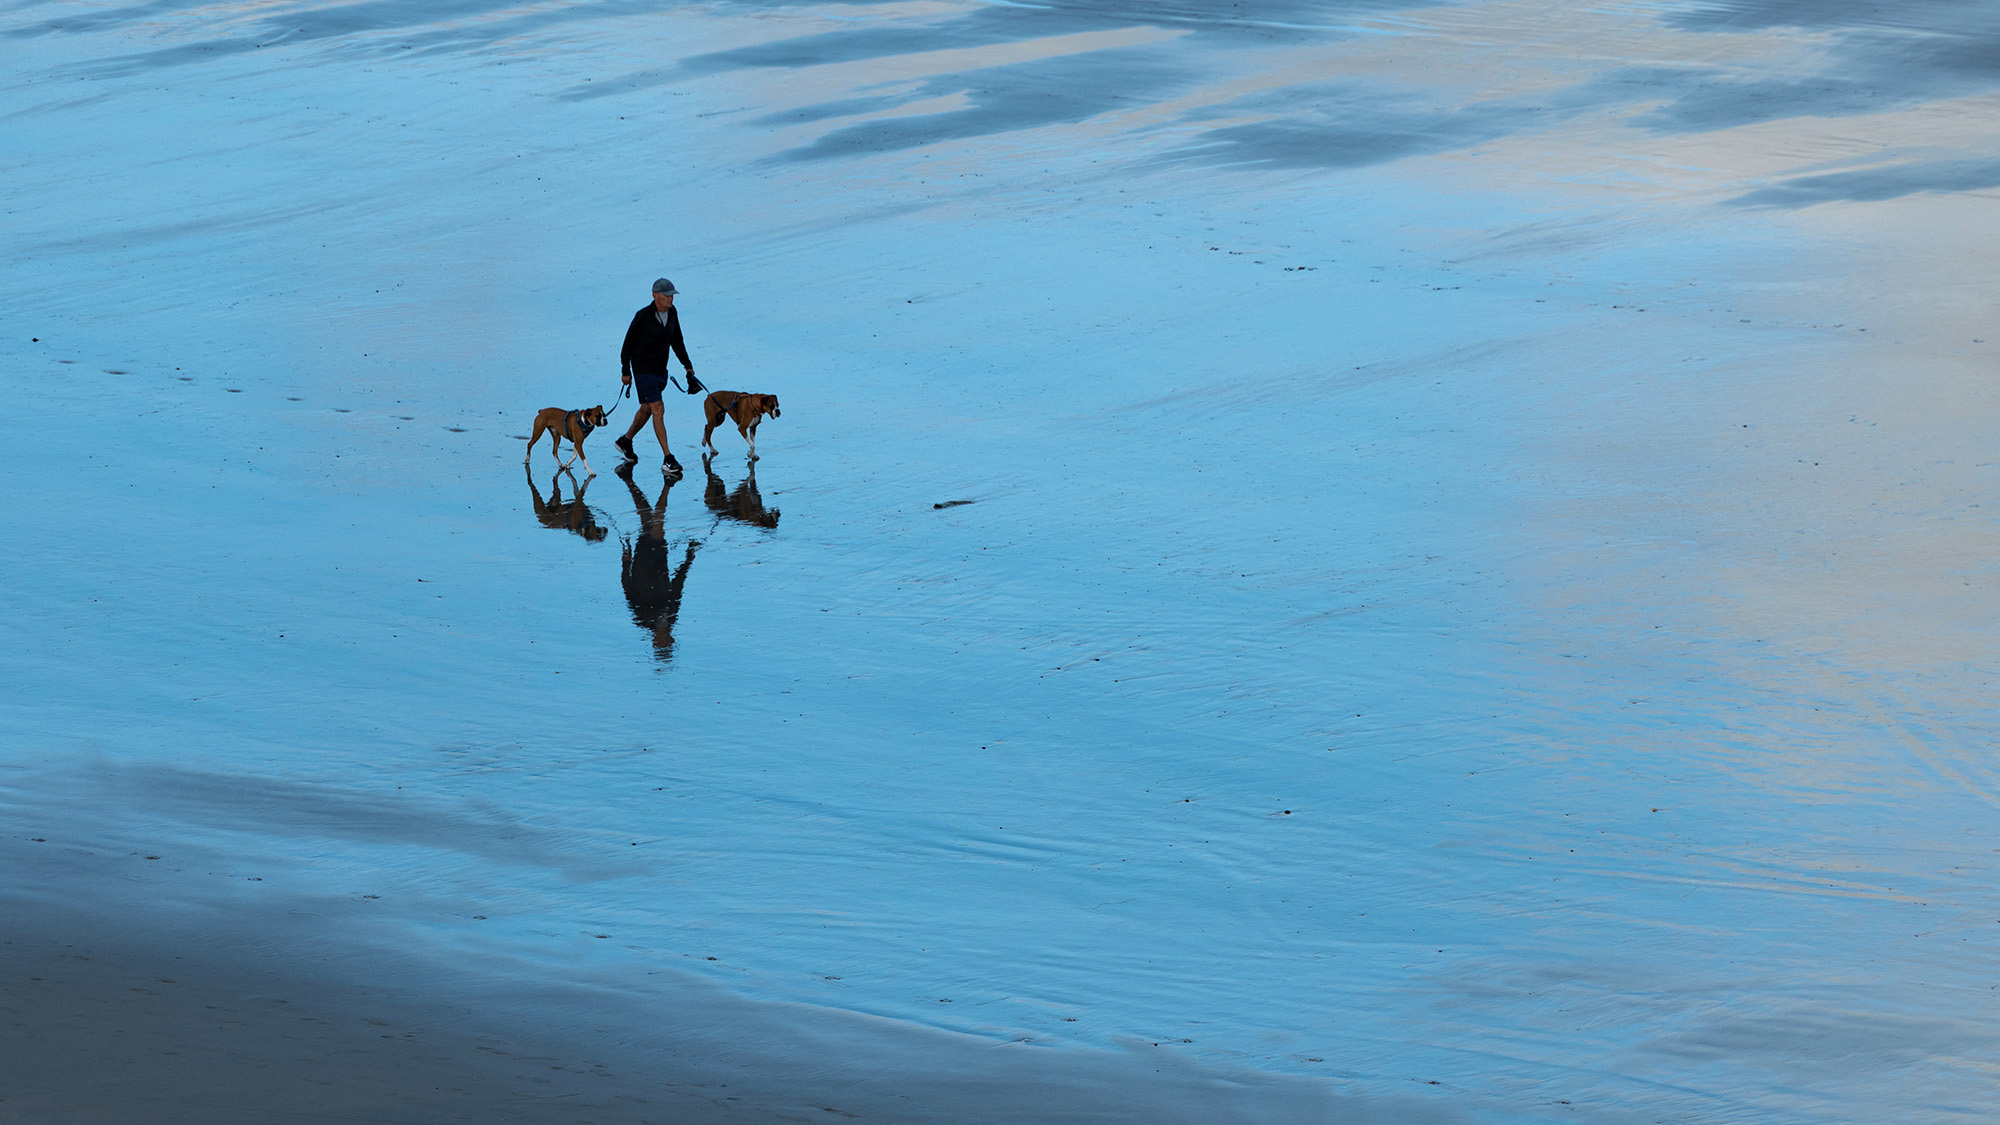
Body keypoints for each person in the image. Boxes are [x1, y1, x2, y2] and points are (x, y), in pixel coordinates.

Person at [615, 278, 700, 473]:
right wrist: (625, 371)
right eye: (667, 296)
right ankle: (668, 459)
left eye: (672, 295)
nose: (671, 299)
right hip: (642, 369)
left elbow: (677, 340)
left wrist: (688, 366)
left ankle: (625, 441)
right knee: (658, 408)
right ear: (655, 295)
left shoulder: (672, 313)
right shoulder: (642, 316)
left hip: (660, 370)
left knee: (646, 409)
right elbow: (626, 346)